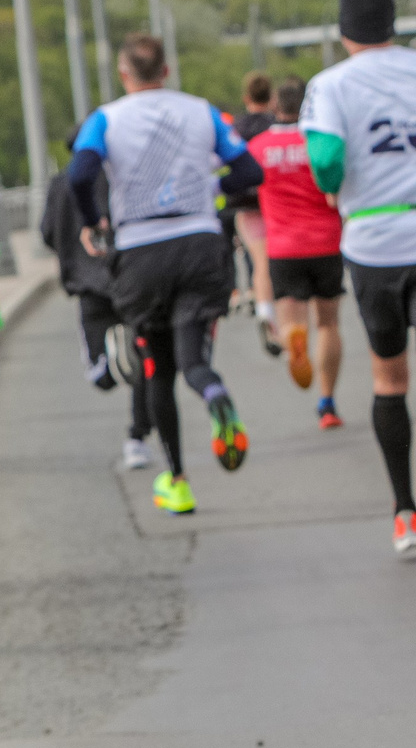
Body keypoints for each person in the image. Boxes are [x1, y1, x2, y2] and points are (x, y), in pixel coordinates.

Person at [68, 33, 262, 516]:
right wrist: (211, 192)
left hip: (140, 250)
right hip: (199, 242)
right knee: (194, 360)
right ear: (167, 70)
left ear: (123, 74)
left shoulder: (105, 119)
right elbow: (250, 172)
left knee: (156, 369)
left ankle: (177, 481)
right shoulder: (203, 112)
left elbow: (80, 173)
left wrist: (95, 221)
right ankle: (214, 391)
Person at [300, 0, 416, 555]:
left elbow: (325, 159)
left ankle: (404, 513)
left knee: (390, 379)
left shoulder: (330, 85)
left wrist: (333, 188)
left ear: (344, 32)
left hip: (375, 244)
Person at [41, 137, 154, 472]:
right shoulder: (121, 177)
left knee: (99, 368)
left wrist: (70, 253)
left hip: (86, 282)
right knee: (143, 359)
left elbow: (47, 231)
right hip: (127, 276)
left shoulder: (60, 183)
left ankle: (104, 366)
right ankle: (137, 438)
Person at [248, 75, 346, 428]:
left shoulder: (258, 147)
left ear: (275, 106)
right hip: (326, 241)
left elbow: (239, 184)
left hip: (283, 247)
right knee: (329, 323)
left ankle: (293, 338)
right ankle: (327, 403)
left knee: (293, 320)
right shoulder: (319, 142)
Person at [230, 69, 280, 352]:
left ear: (246, 97)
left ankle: (265, 314)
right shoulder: (276, 125)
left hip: (248, 205)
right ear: (271, 97)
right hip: (277, 201)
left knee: (260, 262)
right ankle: (286, 316)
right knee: (280, 260)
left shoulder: (236, 128)